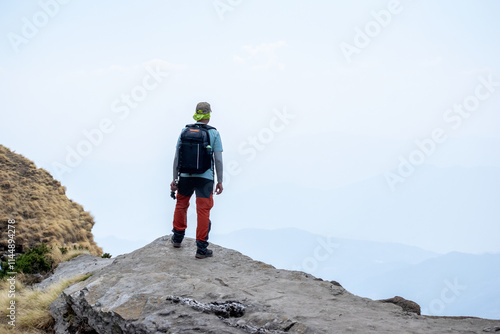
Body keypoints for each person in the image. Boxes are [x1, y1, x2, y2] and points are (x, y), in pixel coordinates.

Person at [170, 102, 224, 259]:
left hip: (185, 176)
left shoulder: (184, 131)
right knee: (203, 210)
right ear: (208, 115)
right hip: (205, 178)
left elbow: (176, 157)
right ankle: (201, 249)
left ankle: (177, 238)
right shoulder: (213, 133)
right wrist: (220, 180)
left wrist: (174, 178)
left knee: (181, 204)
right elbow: (218, 160)